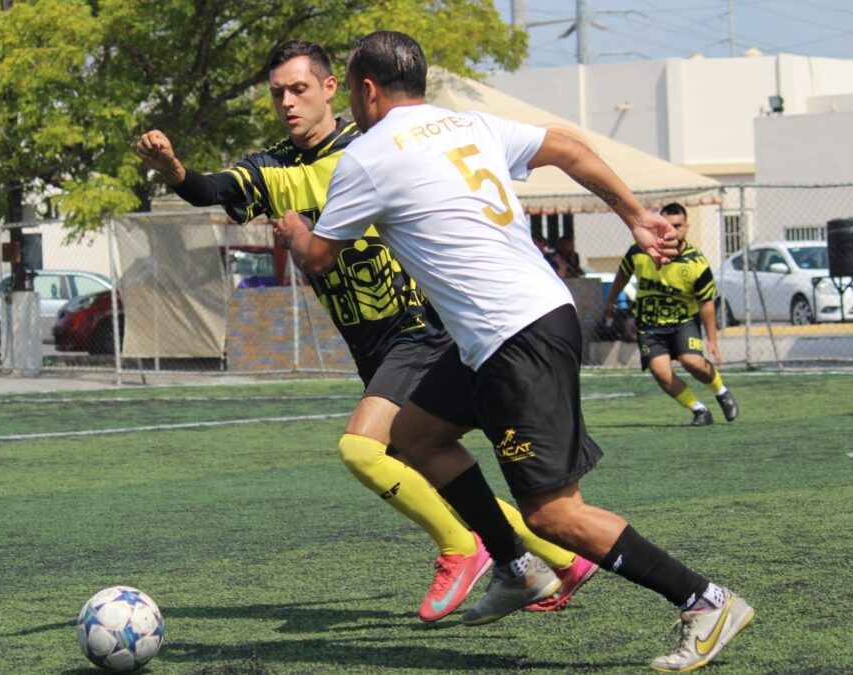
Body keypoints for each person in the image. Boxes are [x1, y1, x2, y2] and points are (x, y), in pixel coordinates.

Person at [276, 30, 753, 671]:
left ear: (364, 90)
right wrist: (634, 213)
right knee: (414, 437)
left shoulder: (368, 155)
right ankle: (514, 567)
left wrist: (294, 228)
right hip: (511, 327)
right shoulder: (465, 124)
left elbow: (319, 258)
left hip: (514, 337)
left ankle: (704, 600)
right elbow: (569, 148)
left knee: (557, 515)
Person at [136, 39, 595, 622]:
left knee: (362, 447)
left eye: (298, 89)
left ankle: (466, 549)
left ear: (334, 89)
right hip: (373, 345)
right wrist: (175, 171)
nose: (287, 102)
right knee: (421, 454)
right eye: (277, 93)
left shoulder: (375, 146)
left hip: (422, 329)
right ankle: (559, 555)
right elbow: (213, 189)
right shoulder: (273, 167)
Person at [603, 203, 739, 427]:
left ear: (686, 227)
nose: (672, 231)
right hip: (649, 324)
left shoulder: (696, 262)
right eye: (667, 225)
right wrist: (610, 301)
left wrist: (712, 339)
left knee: (692, 362)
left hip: (683, 323)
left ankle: (721, 391)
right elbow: (623, 274)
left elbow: (706, 303)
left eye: (677, 226)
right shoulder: (639, 250)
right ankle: (699, 410)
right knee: (661, 372)